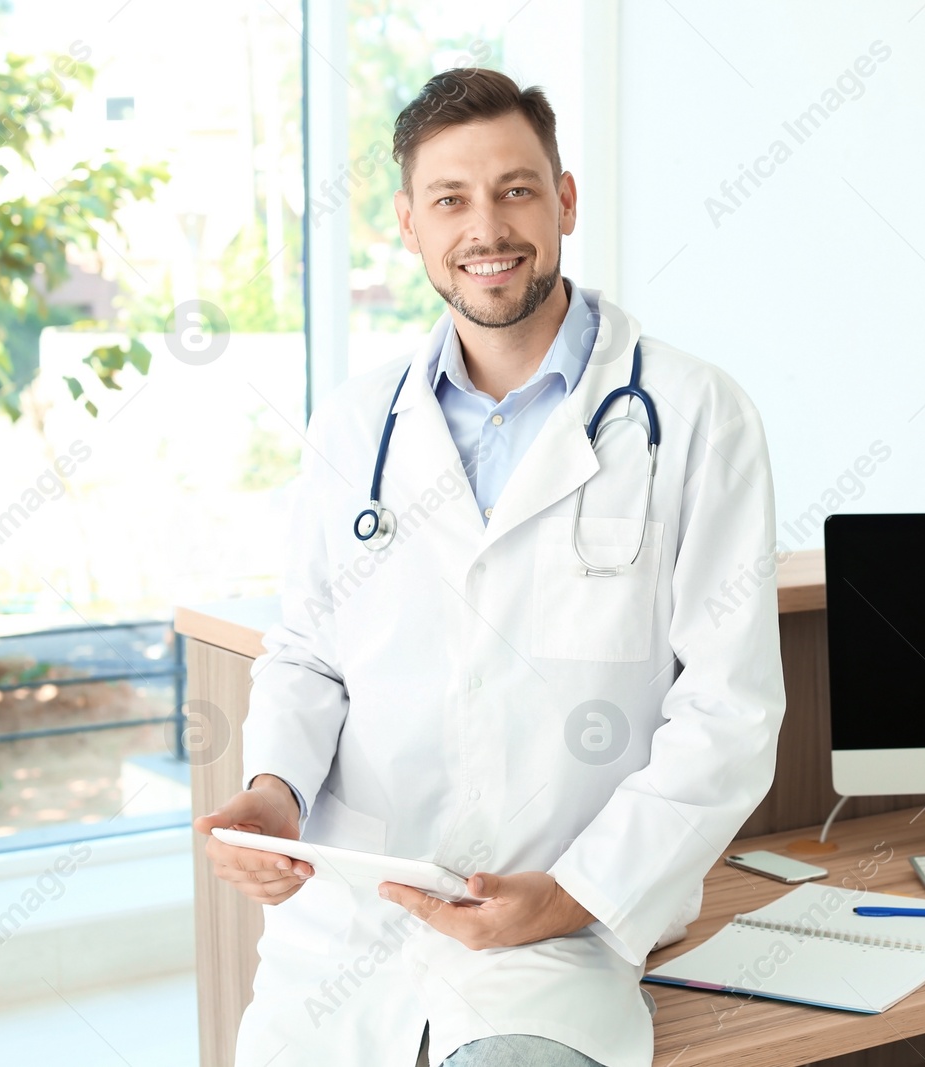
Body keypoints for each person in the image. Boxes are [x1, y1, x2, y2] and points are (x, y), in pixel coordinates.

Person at [192, 67, 785, 1067]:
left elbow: (728, 710)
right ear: (409, 224)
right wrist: (274, 789)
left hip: (562, 925)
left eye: (515, 189)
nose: (487, 229)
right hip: (351, 928)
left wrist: (574, 891)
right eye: (450, 200)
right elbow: (306, 653)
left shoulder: (692, 414)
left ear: (564, 199)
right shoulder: (355, 424)